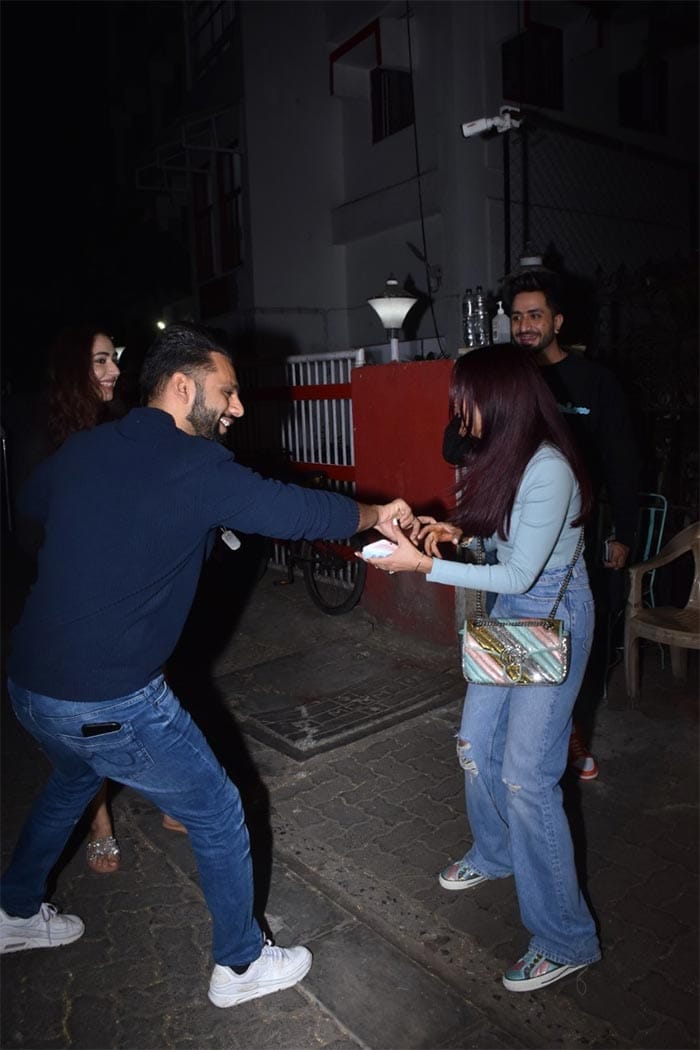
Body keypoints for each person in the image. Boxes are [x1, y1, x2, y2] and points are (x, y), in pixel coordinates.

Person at [0, 322, 414, 1009]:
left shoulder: (88, 450)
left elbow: (32, 508)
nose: (239, 408)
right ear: (183, 386)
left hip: (30, 686)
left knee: (73, 780)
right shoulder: (196, 466)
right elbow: (298, 511)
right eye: (229, 392)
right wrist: (376, 511)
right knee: (220, 810)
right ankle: (241, 965)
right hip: (110, 700)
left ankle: (14, 914)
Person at [361, 344, 601, 992]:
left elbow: (525, 570)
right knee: (473, 744)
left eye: (464, 395)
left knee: (526, 776)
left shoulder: (547, 467)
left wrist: (422, 565)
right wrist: (451, 531)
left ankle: (566, 938)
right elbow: (503, 545)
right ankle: (496, 853)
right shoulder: (506, 456)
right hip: (515, 605)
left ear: (498, 398)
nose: (457, 408)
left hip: (552, 611)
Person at [505, 269, 640, 780]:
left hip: (580, 533)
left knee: (576, 636)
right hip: (518, 532)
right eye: (516, 316)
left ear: (557, 321)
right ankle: (535, 728)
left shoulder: (594, 382)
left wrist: (623, 531)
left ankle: (572, 730)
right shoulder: (509, 379)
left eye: (535, 315)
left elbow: (623, 461)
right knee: (521, 627)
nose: (524, 325)